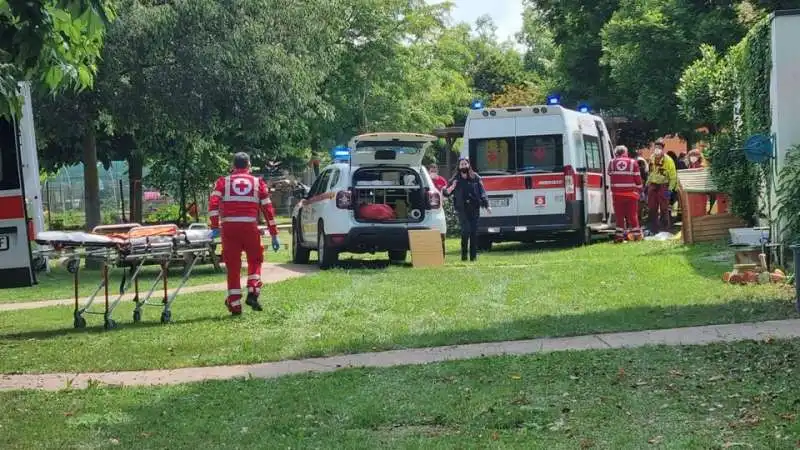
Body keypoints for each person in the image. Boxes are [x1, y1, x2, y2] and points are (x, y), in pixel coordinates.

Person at [208, 152, 281, 316]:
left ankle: (234, 304)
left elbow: (213, 204)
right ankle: (253, 288)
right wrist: (274, 233)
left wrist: (214, 226)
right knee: (255, 258)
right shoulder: (257, 182)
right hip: (250, 226)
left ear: (233, 166)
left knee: (233, 265)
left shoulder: (223, 182)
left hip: (229, 228)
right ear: (249, 165)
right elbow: (268, 209)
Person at [443, 157, 491, 261]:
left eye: (465, 164)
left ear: (468, 165)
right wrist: (452, 187)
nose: (464, 166)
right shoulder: (455, 179)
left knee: (473, 232)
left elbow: (482, 192)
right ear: (459, 166)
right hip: (462, 209)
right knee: (465, 231)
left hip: (474, 208)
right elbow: (446, 193)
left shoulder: (476, 177)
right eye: (462, 164)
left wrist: (487, 205)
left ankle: (473, 257)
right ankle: (464, 256)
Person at [608, 145, 643, 242]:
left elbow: (610, 173)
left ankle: (619, 237)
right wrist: (640, 190)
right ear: (625, 152)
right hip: (631, 194)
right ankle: (637, 236)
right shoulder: (633, 162)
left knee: (619, 216)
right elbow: (637, 178)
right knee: (632, 215)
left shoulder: (611, 162)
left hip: (617, 194)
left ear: (616, 153)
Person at [646, 139, 677, 234]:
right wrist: (647, 184)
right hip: (653, 185)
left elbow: (673, 176)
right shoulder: (651, 157)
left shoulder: (668, 160)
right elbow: (650, 172)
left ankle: (664, 229)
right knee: (652, 208)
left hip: (664, 186)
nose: (657, 149)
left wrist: (670, 189)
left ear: (662, 149)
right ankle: (653, 229)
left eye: (659, 148)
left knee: (664, 208)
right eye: (656, 147)